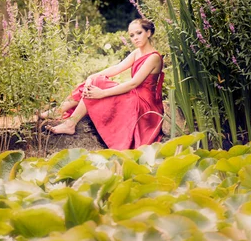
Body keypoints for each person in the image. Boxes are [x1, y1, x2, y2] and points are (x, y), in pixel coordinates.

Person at [46, 18, 164, 150]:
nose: (135, 38)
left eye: (139, 33)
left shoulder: (153, 57)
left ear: (148, 33)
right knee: (96, 80)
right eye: (131, 35)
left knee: (98, 84)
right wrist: (92, 76)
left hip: (144, 104)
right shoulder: (137, 52)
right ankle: (60, 113)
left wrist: (102, 93)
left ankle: (66, 119)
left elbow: (133, 83)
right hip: (134, 95)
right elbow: (117, 68)